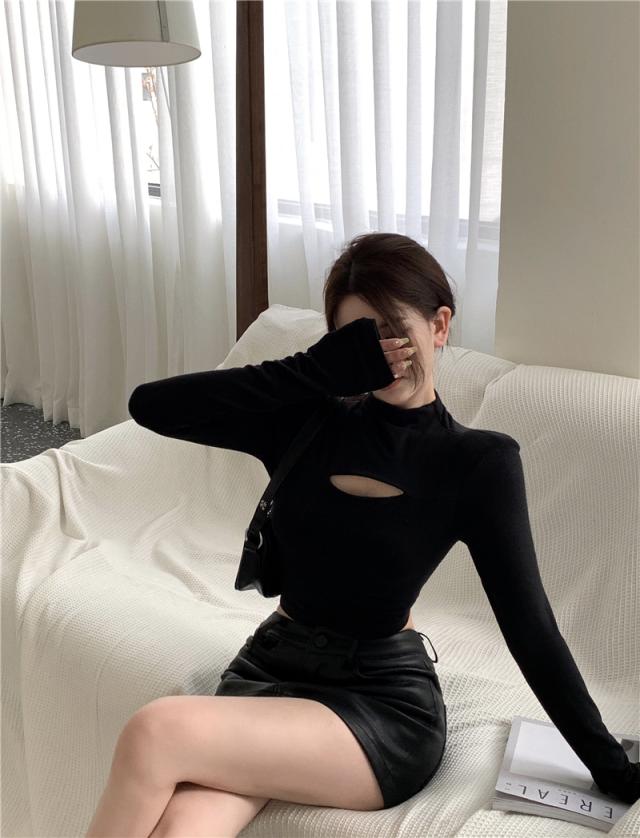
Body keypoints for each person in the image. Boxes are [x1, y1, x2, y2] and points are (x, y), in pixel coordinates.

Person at [86, 233, 639, 838]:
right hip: (270, 668)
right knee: (184, 826)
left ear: (439, 326)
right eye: (359, 340)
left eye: (395, 332)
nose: (383, 356)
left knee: (154, 732)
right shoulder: (306, 423)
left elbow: (531, 628)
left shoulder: (476, 462)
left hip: (381, 706)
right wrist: (312, 372)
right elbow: (152, 406)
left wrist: (611, 767)